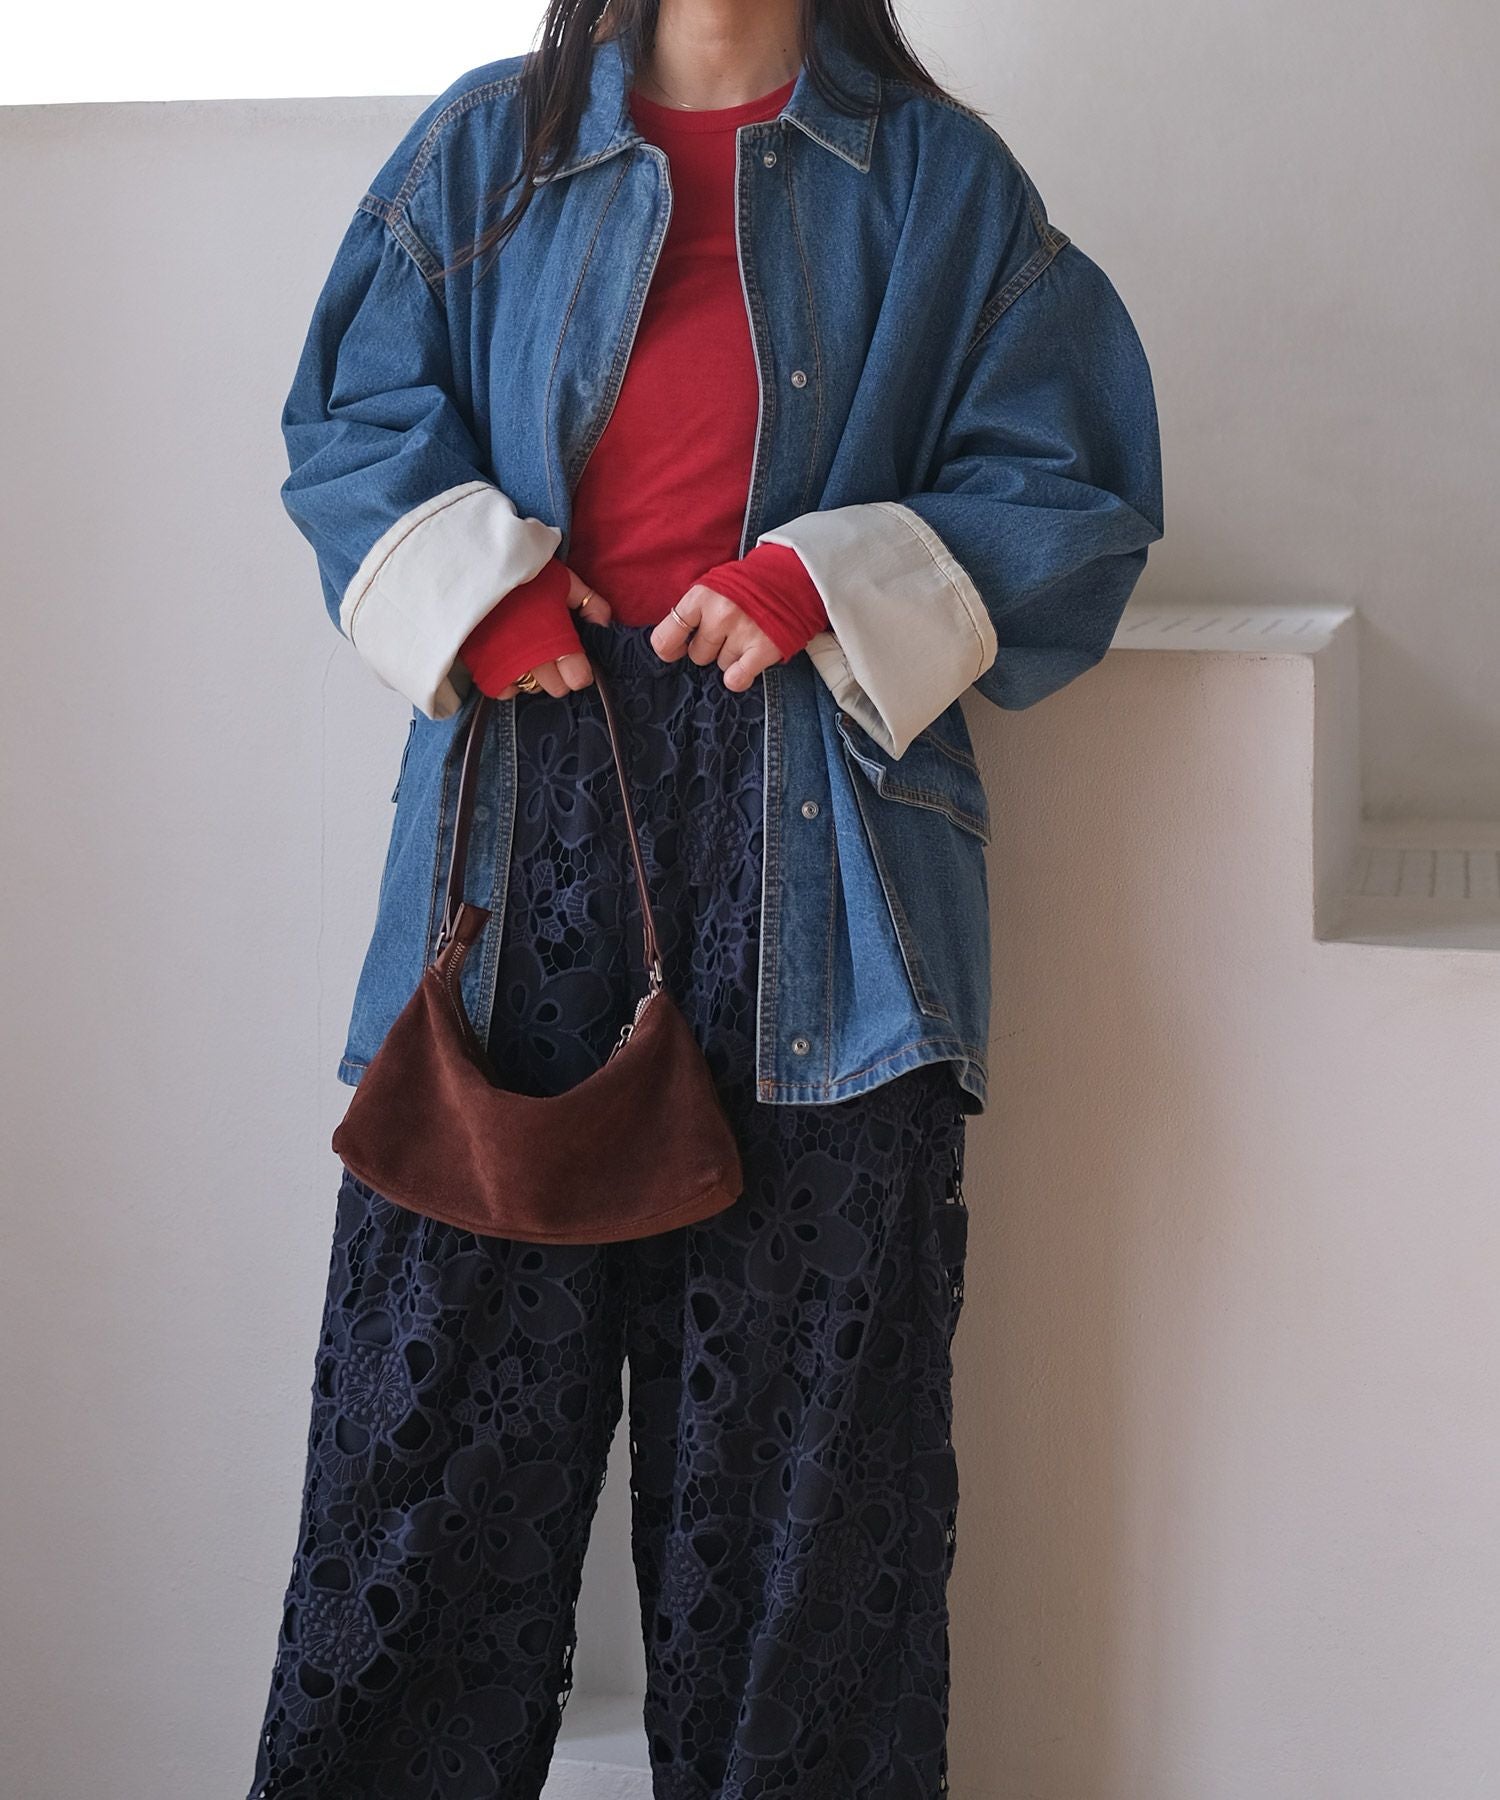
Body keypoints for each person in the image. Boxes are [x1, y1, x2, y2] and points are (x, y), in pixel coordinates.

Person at [248, 1, 1163, 1793]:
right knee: (427, 1462)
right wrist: (479, 593)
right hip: (519, 848)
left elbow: (1077, 486)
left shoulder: (939, 182)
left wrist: (825, 579)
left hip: (830, 883)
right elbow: (349, 418)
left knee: (809, 1504)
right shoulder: (486, 152)